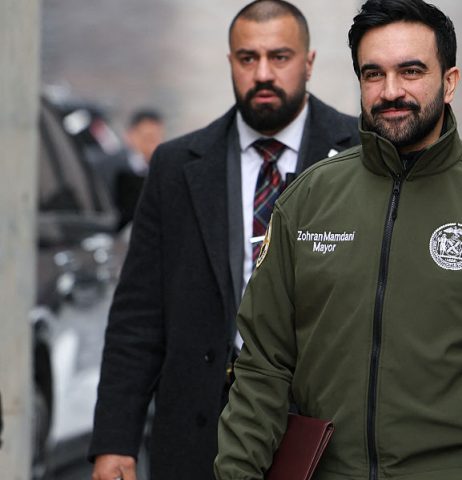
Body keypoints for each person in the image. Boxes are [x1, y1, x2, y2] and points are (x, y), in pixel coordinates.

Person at [215, 1, 462, 479]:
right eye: (373, 74)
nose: (391, 91)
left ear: (449, 81)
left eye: (411, 71)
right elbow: (262, 368)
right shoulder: (305, 202)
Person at [89, 1, 360, 479]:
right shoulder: (176, 167)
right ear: (230, 62)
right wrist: (115, 440)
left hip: (328, 436)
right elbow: (138, 314)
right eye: (247, 58)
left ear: (309, 62)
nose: (263, 73)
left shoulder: (361, 155)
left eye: (279, 57)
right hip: (196, 436)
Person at [115, 109, 165, 227]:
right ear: (130, 136)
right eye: (148, 138)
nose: (154, 144)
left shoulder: (165, 170)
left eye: (158, 138)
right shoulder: (108, 167)